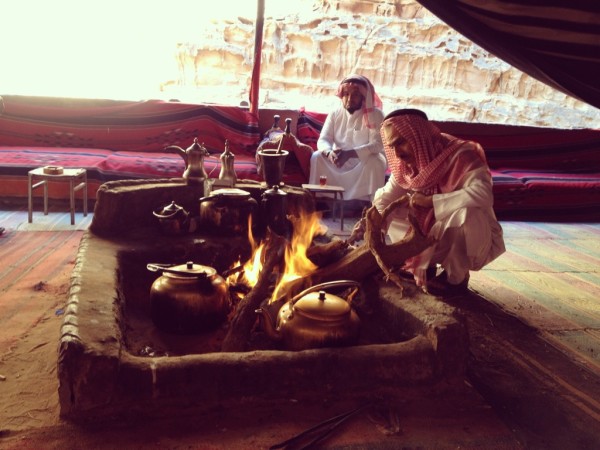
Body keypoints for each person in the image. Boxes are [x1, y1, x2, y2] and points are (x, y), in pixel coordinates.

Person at [371, 108, 505, 296]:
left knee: (466, 212)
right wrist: (372, 228)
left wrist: (431, 201)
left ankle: (456, 277)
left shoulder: (461, 154)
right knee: (389, 208)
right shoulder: (405, 164)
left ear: (419, 135)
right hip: (431, 234)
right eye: (392, 146)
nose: (397, 153)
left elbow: (483, 194)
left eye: (400, 142)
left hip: (467, 236)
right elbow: (386, 197)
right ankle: (424, 264)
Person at [308, 74, 387, 201]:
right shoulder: (335, 113)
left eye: (355, 94)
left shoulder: (376, 115)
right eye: (345, 94)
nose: (349, 98)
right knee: (317, 157)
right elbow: (324, 139)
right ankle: (322, 201)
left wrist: (350, 154)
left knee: (377, 161)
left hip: (364, 163)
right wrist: (329, 153)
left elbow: (377, 145)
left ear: (363, 97)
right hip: (338, 161)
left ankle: (369, 204)